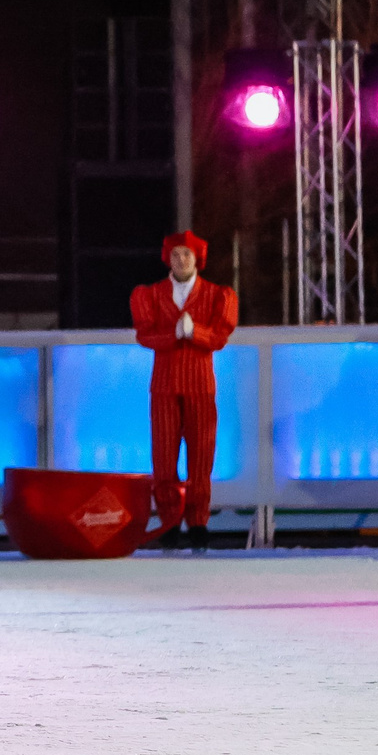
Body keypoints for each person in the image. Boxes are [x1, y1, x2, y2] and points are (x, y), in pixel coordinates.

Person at [128, 231, 239, 553]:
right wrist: (174, 335)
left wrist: (195, 332)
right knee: (163, 457)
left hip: (200, 385)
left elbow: (218, 337)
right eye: (176, 255)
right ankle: (170, 522)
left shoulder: (218, 295)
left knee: (201, 458)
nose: (181, 260)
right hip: (164, 385)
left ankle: (199, 522)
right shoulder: (150, 294)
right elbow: (145, 335)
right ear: (168, 258)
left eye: (186, 255)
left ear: (197, 259)